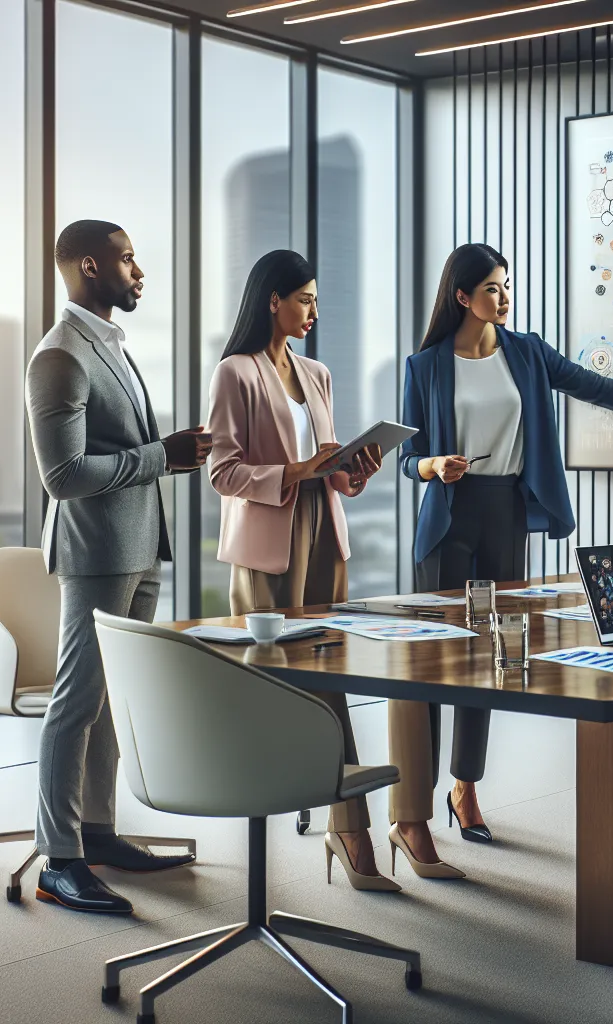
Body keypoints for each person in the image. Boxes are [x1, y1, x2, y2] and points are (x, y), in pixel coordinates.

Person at [393, 242, 613, 865]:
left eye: (506, 284)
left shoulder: (526, 352)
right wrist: (432, 465)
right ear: (462, 296)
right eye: (491, 288)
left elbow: (601, 389)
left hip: (505, 515)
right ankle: (413, 810)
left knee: (489, 658)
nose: (504, 296)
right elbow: (407, 458)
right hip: (448, 519)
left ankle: (465, 787)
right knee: (434, 662)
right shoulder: (425, 366)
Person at [25, 219, 212, 914]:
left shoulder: (111, 346)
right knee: (75, 702)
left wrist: (169, 455)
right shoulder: (59, 356)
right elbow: (63, 476)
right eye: (127, 258)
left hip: (139, 547)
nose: (139, 271)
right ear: (88, 266)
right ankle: (59, 859)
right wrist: (164, 456)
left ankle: (97, 833)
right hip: (98, 551)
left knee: (110, 701)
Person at [205, 249, 403, 891]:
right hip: (268, 546)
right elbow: (222, 472)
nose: (315, 310)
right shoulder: (235, 372)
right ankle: (324, 827)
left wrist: (354, 471)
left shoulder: (317, 373)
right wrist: (298, 470)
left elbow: (333, 472)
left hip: (323, 540)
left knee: (331, 680)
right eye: (306, 299)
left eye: (317, 299)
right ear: (274, 300)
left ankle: (347, 828)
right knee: (273, 686)